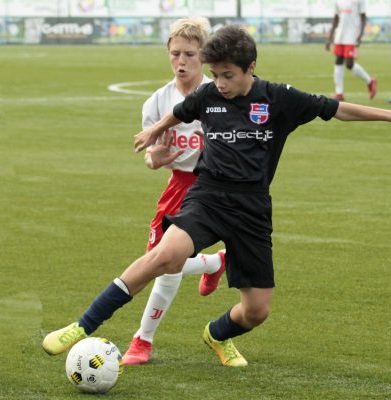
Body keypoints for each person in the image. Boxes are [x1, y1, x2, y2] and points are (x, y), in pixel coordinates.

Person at [42, 25, 391, 368]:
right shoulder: (209, 95)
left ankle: (216, 334)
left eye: (228, 75)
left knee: (256, 312)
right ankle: (83, 325)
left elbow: (337, 109)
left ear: (251, 68)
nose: (219, 83)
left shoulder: (279, 99)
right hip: (208, 197)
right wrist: (153, 132)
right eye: (214, 75)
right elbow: (182, 110)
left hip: (252, 208)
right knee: (165, 256)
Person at [122, 17, 227, 365]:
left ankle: (142, 341)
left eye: (190, 55)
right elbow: (151, 160)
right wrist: (157, 158)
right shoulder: (156, 103)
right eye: (175, 54)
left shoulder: (220, 96)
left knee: (166, 266)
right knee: (161, 261)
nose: (181, 62)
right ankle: (214, 262)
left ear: (204, 57)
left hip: (213, 188)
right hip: (178, 185)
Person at [326, 0, 377, 101]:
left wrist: (360, 34)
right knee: (338, 61)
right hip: (340, 35)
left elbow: (363, 17)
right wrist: (330, 37)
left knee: (349, 64)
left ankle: (370, 81)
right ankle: (339, 93)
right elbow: (336, 18)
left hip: (352, 34)